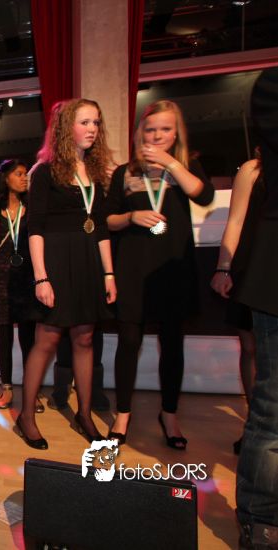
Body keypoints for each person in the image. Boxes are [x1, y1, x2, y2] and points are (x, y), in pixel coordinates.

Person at [104, 100, 213, 449]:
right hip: (133, 268)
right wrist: (131, 217)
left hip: (173, 269)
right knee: (129, 342)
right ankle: (123, 415)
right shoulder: (125, 172)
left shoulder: (186, 167)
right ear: (140, 132)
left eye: (165, 129)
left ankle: (169, 414)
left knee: (172, 343)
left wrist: (171, 163)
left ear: (176, 133)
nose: (157, 135)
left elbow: (204, 195)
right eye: (150, 129)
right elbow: (108, 220)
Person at [15, 99, 116, 450]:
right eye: (85, 122)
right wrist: (41, 278)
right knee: (47, 339)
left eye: (96, 122)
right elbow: (35, 229)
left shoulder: (97, 172)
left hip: (88, 262)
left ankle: (84, 414)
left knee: (85, 338)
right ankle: (26, 416)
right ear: (65, 127)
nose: (92, 129)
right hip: (56, 262)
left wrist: (109, 274)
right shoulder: (45, 171)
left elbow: (100, 227)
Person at [233, 66, 278, 549]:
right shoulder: (271, 87)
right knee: (273, 408)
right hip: (273, 275)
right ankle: (262, 523)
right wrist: (224, 266)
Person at [0, 159, 39, 411]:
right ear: (6, 178)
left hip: (28, 279)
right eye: (19, 174)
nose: (24, 178)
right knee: (4, 339)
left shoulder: (32, 207)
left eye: (25, 174)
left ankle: (31, 391)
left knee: (28, 340)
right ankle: (7, 388)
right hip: (0, 281)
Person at [210, 154, 261, 455]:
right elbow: (236, 221)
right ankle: (256, 425)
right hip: (254, 264)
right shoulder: (253, 169)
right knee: (251, 347)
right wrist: (223, 268)